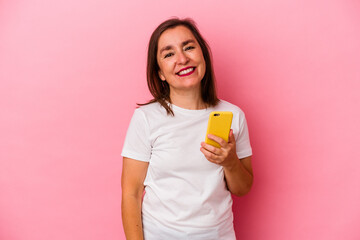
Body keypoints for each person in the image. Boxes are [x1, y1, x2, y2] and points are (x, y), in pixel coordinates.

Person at [121, 17, 253, 240]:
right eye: (169, 53)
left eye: (189, 47)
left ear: (203, 55)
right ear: (161, 72)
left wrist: (230, 163)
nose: (182, 59)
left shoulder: (234, 116)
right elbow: (131, 194)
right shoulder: (146, 118)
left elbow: (243, 188)